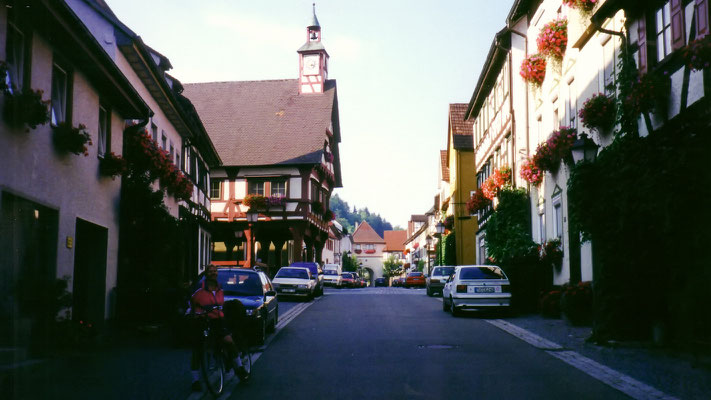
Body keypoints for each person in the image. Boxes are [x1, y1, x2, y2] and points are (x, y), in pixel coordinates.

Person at [188, 264, 248, 391]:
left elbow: (221, 304)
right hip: (202, 320)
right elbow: (190, 302)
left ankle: (239, 368)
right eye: (210, 271)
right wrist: (195, 313)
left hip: (217, 320)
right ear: (206, 274)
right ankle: (195, 381)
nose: (213, 273)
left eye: (215, 271)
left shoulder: (220, 289)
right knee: (198, 349)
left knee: (228, 341)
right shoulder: (199, 289)